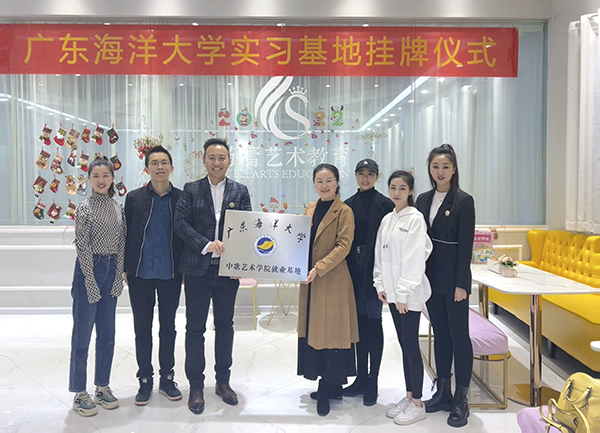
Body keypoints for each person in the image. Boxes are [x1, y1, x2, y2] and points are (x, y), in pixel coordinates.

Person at [174, 138, 251, 415]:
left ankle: (223, 382)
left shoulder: (240, 191)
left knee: (225, 327)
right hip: (197, 269)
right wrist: (205, 244)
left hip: (227, 271)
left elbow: (247, 227)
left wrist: (240, 258)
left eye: (221, 158)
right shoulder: (191, 189)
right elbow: (180, 223)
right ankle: (196, 386)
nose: (217, 162)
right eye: (212, 157)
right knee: (195, 329)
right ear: (204, 160)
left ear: (229, 161)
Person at [415, 144, 476, 428]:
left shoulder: (463, 201)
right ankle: (442, 392)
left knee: (459, 336)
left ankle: (461, 399)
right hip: (431, 279)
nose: (440, 172)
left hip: (454, 281)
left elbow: (466, 246)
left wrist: (461, 284)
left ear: (454, 170)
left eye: (445, 167)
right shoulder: (423, 199)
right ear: (430, 169)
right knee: (440, 335)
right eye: (435, 166)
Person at [297, 163, 359, 417]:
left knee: (331, 335)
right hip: (311, 281)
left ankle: (327, 387)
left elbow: (344, 246)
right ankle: (331, 386)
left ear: (337, 183)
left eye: (329, 181)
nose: (324, 185)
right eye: (319, 181)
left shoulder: (344, 211)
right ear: (314, 183)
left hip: (332, 280)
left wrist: (319, 268)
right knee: (315, 332)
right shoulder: (310, 208)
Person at [124, 145, 184, 406]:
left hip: (170, 273)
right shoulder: (134, 198)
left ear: (171, 167)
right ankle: (145, 379)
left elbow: (185, 235)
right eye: (154, 163)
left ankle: (167, 378)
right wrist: (126, 267)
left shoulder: (181, 199)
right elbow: (126, 235)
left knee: (168, 327)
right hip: (140, 274)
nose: (160, 167)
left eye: (164, 162)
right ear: (146, 169)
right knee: (142, 328)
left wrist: (184, 269)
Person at [68, 156, 126, 417]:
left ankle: (102, 386)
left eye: (105, 175)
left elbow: (122, 243)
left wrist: (118, 276)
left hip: (111, 270)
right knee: (82, 335)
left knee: (107, 334)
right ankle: (80, 392)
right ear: (89, 179)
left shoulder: (117, 207)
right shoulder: (84, 207)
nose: (101, 180)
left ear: (112, 178)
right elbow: (82, 246)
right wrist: (90, 281)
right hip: (88, 270)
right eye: (96, 176)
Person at [374, 170, 432, 426]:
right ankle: (409, 396)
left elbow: (414, 259)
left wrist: (404, 293)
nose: (396, 192)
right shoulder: (388, 219)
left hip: (408, 296)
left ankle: (418, 403)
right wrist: (380, 284)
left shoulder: (415, 219)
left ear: (410, 191)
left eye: (402, 188)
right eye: (393, 187)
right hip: (393, 295)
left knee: (410, 347)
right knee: (404, 345)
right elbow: (380, 255)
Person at [342, 158, 394, 406]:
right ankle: (360, 378)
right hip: (353, 269)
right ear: (355, 176)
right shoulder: (347, 205)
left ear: (377, 177)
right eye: (361, 173)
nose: (365, 178)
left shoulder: (386, 204)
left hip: (375, 270)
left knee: (374, 323)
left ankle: (373, 381)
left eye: (370, 174)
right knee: (359, 326)